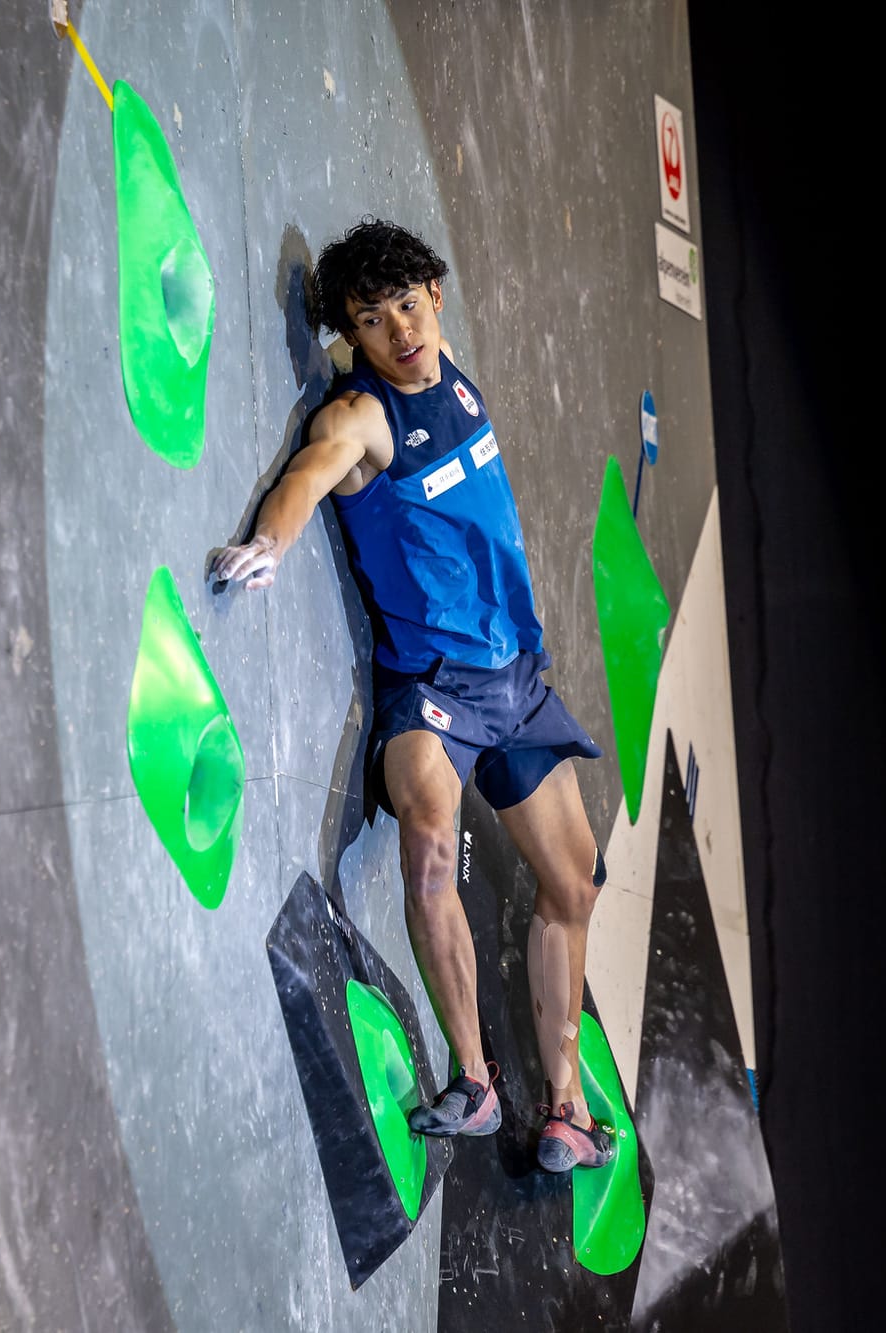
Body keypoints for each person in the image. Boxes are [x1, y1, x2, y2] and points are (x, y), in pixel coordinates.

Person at [210, 219, 613, 1171]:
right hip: (433, 691)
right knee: (430, 835)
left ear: (434, 293)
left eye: (405, 305)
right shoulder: (363, 418)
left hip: (514, 677)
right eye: (369, 319)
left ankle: (568, 1111)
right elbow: (309, 474)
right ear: (350, 335)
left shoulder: (448, 367)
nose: (398, 332)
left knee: (574, 883)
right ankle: (474, 1081)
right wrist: (268, 541)